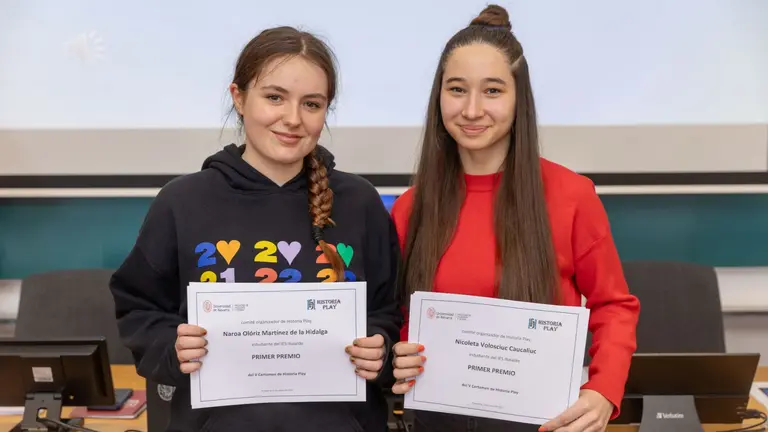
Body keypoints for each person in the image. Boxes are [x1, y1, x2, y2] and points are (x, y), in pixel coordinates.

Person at [109, 26, 401, 432]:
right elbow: (138, 307)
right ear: (239, 98)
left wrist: (378, 346)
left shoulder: (360, 202)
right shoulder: (181, 202)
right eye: (274, 97)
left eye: (312, 104)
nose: (293, 119)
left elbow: (387, 309)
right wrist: (171, 346)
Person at [389, 5, 640, 432]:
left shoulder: (571, 196)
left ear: (518, 98)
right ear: (438, 97)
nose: (471, 110)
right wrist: (398, 351)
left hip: (544, 424)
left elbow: (614, 305)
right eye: (456, 89)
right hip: (434, 420)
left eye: (492, 91)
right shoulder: (411, 206)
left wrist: (603, 391)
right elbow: (397, 316)